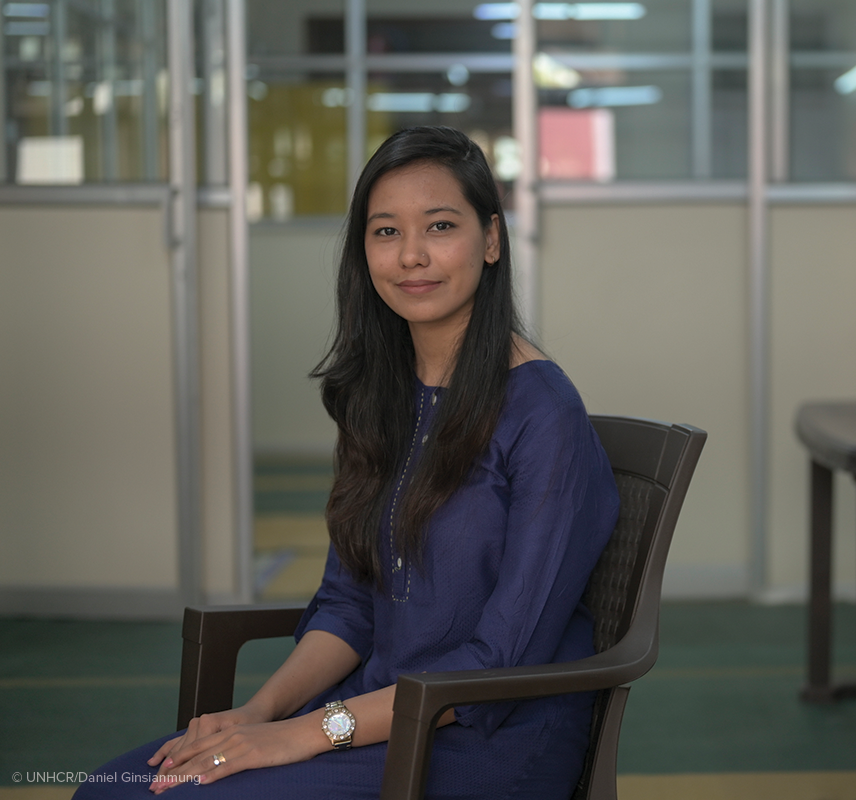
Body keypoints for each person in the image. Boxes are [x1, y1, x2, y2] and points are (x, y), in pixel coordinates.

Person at [74, 126, 620, 800]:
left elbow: (500, 659)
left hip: (483, 742)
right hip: (373, 714)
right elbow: (350, 604)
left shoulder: (544, 413)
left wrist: (303, 734)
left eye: (440, 226)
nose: (412, 255)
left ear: (491, 239)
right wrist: (259, 715)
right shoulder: (384, 397)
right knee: (114, 789)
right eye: (385, 232)